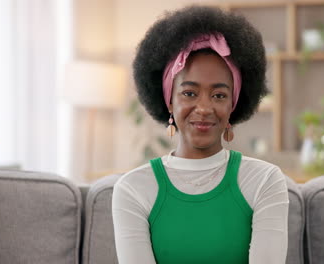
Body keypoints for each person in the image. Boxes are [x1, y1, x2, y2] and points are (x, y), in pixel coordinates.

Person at [112, 5, 289, 264]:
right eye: (189, 93)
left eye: (219, 95)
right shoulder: (132, 190)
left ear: (233, 104)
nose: (204, 108)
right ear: (169, 101)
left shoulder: (265, 181)